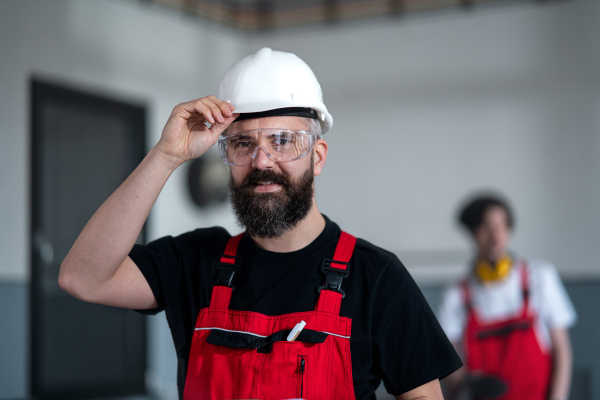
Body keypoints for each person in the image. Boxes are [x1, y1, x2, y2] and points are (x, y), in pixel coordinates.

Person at [59, 47, 461, 400]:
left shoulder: (376, 276)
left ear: (317, 156)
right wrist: (166, 155)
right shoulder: (197, 262)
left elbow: (423, 395)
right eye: (243, 143)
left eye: (283, 140)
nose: (262, 161)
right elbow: (84, 278)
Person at [437, 193, 576, 400]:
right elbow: (445, 362)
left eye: (502, 225)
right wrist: (468, 380)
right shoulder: (457, 294)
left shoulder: (539, 278)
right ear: (472, 233)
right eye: (486, 227)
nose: (496, 235)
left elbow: (562, 352)